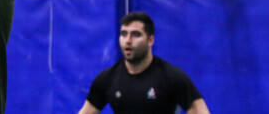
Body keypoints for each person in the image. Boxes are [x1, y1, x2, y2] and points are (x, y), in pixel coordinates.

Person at [78, 12, 210, 114]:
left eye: (135, 34)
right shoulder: (107, 79)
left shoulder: (172, 76)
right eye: (124, 34)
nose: (128, 40)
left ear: (150, 40)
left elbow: (200, 111)